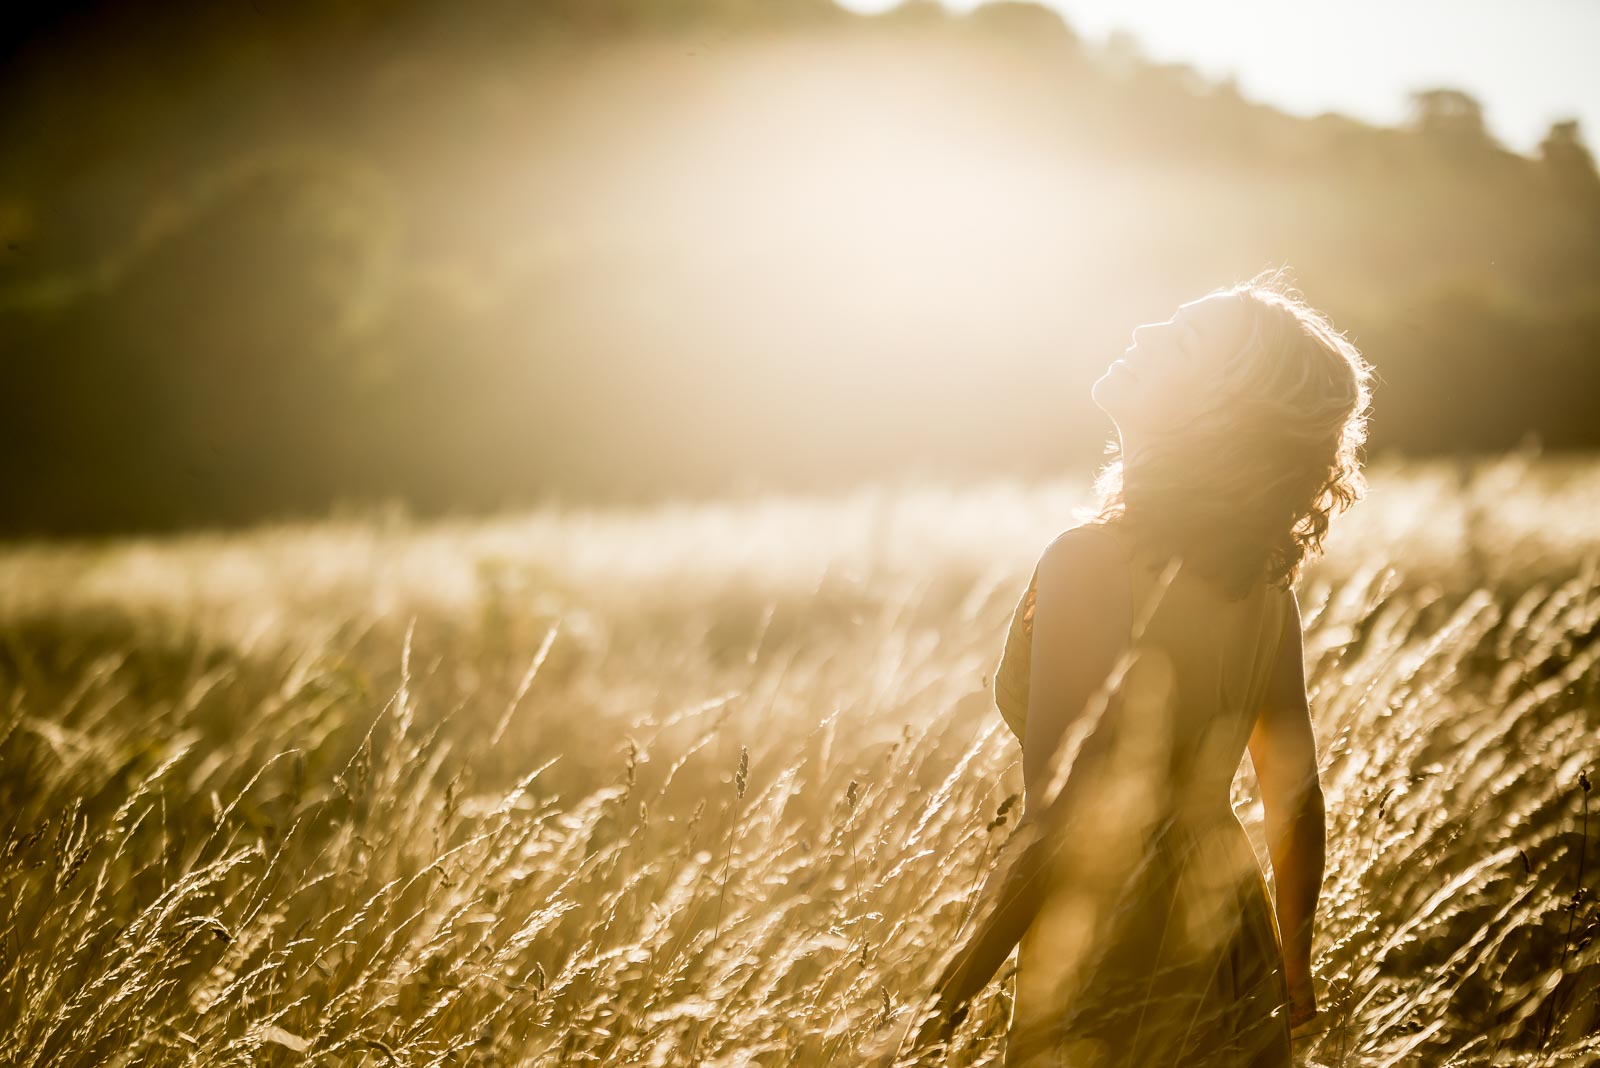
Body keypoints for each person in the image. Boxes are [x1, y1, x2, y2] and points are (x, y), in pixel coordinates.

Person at [902, 269, 1375, 1066]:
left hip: (1112, 946)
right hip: (1233, 939)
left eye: (1182, 341)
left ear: (1220, 406)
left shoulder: (1089, 562)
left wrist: (939, 1004)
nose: (1144, 335)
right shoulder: (1263, 585)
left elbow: (1061, 819)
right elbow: (1295, 792)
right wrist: (1292, 968)